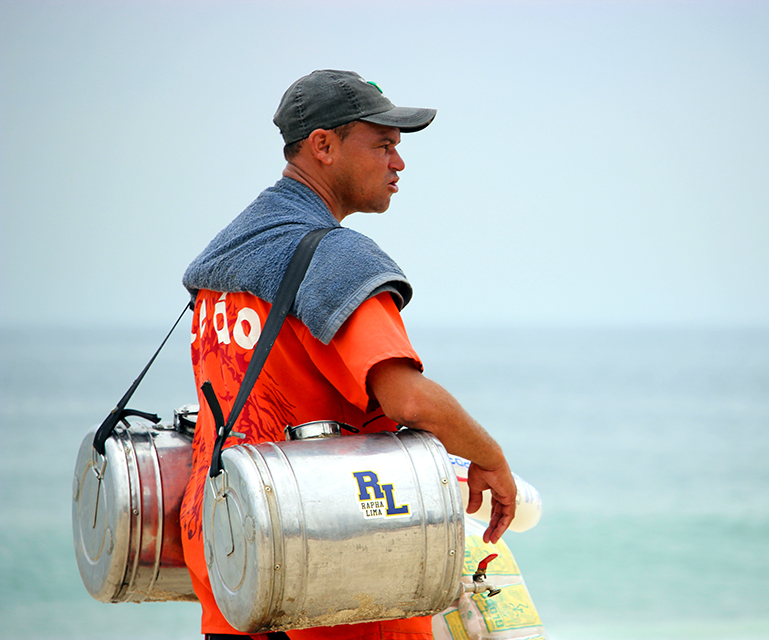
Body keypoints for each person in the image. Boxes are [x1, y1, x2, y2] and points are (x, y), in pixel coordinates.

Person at [179, 69, 518, 640]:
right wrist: (491, 458)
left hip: (232, 566)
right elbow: (409, 400)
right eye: (383, 145)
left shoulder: (222, 266)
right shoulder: (334, 259)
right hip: (332, 582)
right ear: (324, 146)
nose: (398, 163)